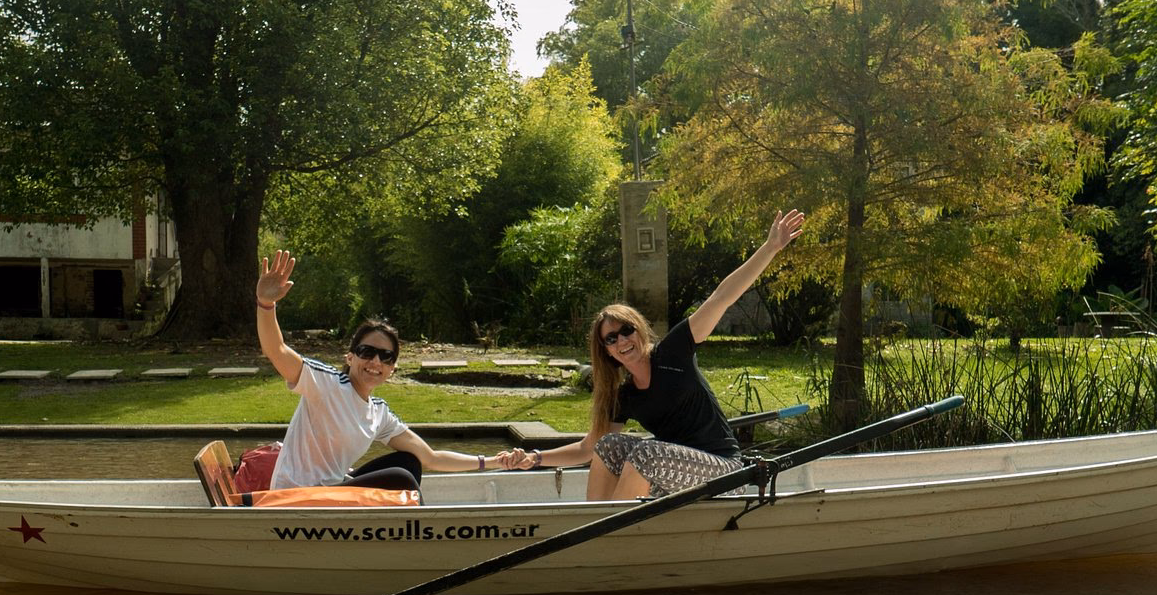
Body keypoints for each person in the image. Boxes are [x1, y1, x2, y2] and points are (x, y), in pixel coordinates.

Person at [505, 209, 806, 501]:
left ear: (638, 329)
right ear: (607, 352)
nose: (622, 340)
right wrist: (535, 457)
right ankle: (596, 519)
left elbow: (721, 298)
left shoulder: (673, 352)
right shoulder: (625, 395)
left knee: (646, 453)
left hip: (724, 473)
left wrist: (770, 248)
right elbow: (587, 448)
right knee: (608, 445)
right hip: (672, 477)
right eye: (611, 338)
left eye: (626, 330)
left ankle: (617, 528)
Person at [256, 250, 506, 493]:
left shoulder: (378, 413)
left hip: (332, 492)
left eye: (386, 356)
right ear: (350, 357)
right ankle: (415, 520)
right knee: (401, 477)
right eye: (367, 352)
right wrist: (266, 304)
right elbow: (276, 350)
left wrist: (494, 461)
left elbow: (431, 458)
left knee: (408, 462)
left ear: (392, 368)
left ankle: (406, 519)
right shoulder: (325, 383)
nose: (375, 361)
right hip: (297, 496)